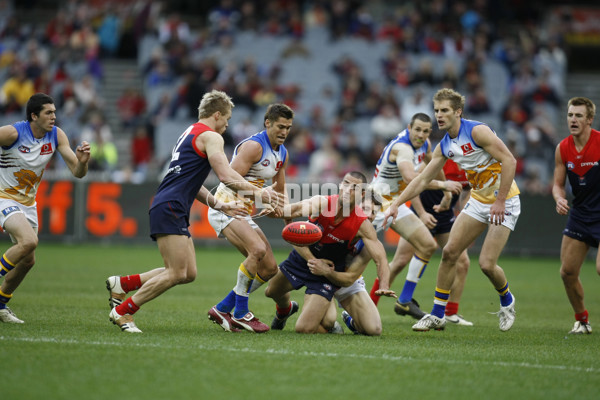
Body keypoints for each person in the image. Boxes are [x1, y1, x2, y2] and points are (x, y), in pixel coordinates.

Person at [105, 90, 283, 333]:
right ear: (217, 114)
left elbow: (192, 181)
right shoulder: (211, 136)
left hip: (170, 203)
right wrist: (260, 194)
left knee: (187, 273)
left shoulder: (189, 132)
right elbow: (226, 175)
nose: (227, 124)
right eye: (227, 119)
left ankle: (123, 283)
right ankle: (124, 311)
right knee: (176, 272)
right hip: (171, 205)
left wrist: (218, 204)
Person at [386, 88, 520, 332]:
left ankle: (507, 300)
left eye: (445, 110)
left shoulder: (477, 131)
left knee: (487, 264)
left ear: (458, 112)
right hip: (479, 200)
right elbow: (421, 180)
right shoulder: (445, 145)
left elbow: (510, 160)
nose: (439, 115)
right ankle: (438, 314)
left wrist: (500, 201)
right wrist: (395, 204)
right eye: (436, 110)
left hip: (506, 199)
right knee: (449, 253)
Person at [264, 171, 396, 334]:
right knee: (271, 291)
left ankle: (339, 320)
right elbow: (293, 212)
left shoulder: (363, 228)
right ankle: (285, 310)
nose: (348, 189)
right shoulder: (322, 204)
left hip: (332, 274)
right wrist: (273, 211)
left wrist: (384, 285)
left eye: (354, 187)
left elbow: (379, 260)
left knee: (370, 329)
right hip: (306, 262)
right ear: (340, 184)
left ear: (361, 194)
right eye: (346, 183)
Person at [0, 93, 91, 323]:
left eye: (54, 112)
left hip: (28, 204)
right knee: (29, 241)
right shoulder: (12, 133)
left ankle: (0, 305)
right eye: (48, 112)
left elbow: (77, 173)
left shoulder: (56, 134)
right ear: (34, 116)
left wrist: (82, 162)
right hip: (4, 198)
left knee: (28, 261)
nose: (54, 117)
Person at [207, 104, 294, 333]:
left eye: (288, 128)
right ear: (267, 123)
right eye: (280, 126)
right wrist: (260, 196)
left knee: (269, 268)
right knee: (257, 250)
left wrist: (289, 222)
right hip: (226, 207)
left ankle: (222, 308)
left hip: (243, 212)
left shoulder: (282, 153)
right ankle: (240, 313)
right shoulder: (254, 147)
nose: (284, 132)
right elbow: (229, 178)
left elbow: (280, 192)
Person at [368, 113, 462, 319]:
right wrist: (444, 185)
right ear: (409, 127)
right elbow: (411, 178)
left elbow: (434, 165)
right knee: (354, 257)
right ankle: (353, 304)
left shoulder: (426, 144)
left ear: (430, 132)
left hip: (395, 203)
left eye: (425, 131)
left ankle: (404, 301)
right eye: (417, 129)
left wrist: (445, 192)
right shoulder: (402, 148)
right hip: (374, 203)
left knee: (427, 245)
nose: (420, 134)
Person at [380, 159, 474, 326]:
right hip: (421, 213)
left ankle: (451, 313)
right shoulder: (443, 158)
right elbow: (415, 183)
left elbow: (467, 192)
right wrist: (422, 213)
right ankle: (374, 302)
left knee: (462, 262)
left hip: (445, 215)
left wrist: (464, 212)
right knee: (400, 261)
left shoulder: (473, 164)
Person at [552, 96, 600, 335]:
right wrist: (559, 198)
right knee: (567, 272)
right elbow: (557, 184)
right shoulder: (562, 148)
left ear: (590, 119)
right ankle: (582, 321)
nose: (573, 119)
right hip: (580, 214)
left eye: (579, 115)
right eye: (570, 115)